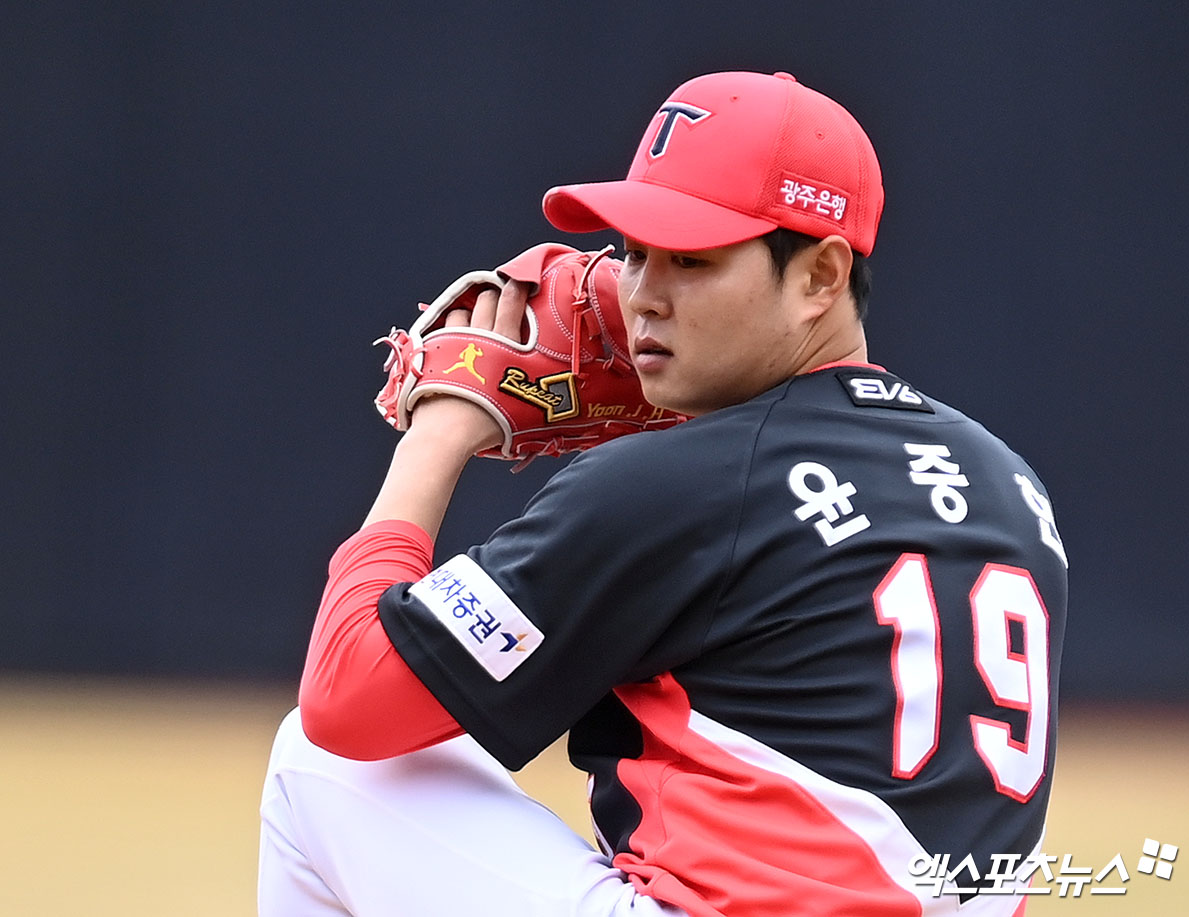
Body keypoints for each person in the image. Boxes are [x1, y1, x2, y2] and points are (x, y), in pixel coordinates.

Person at [258, 70, 1068, 917]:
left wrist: (439, 429)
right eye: (635, 252)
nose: (643, 296)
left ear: (820, 277)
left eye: (691, 259)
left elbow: (348, 695)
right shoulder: (1010, 483)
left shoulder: (683, 483)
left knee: (317, 762)